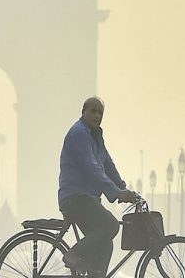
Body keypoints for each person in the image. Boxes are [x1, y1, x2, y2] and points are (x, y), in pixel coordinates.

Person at [58, 97, 136, 277]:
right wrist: (116, 193)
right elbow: (92, 167)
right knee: (111, 225)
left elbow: (108, 166)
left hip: (86, 198)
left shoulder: (96, 137)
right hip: (76, 197)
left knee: (105, 242)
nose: (96, 115)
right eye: (93, 111)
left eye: (100, 112)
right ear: (83, 112)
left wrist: (124, 189)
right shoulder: (79, 133)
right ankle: (73, 254)